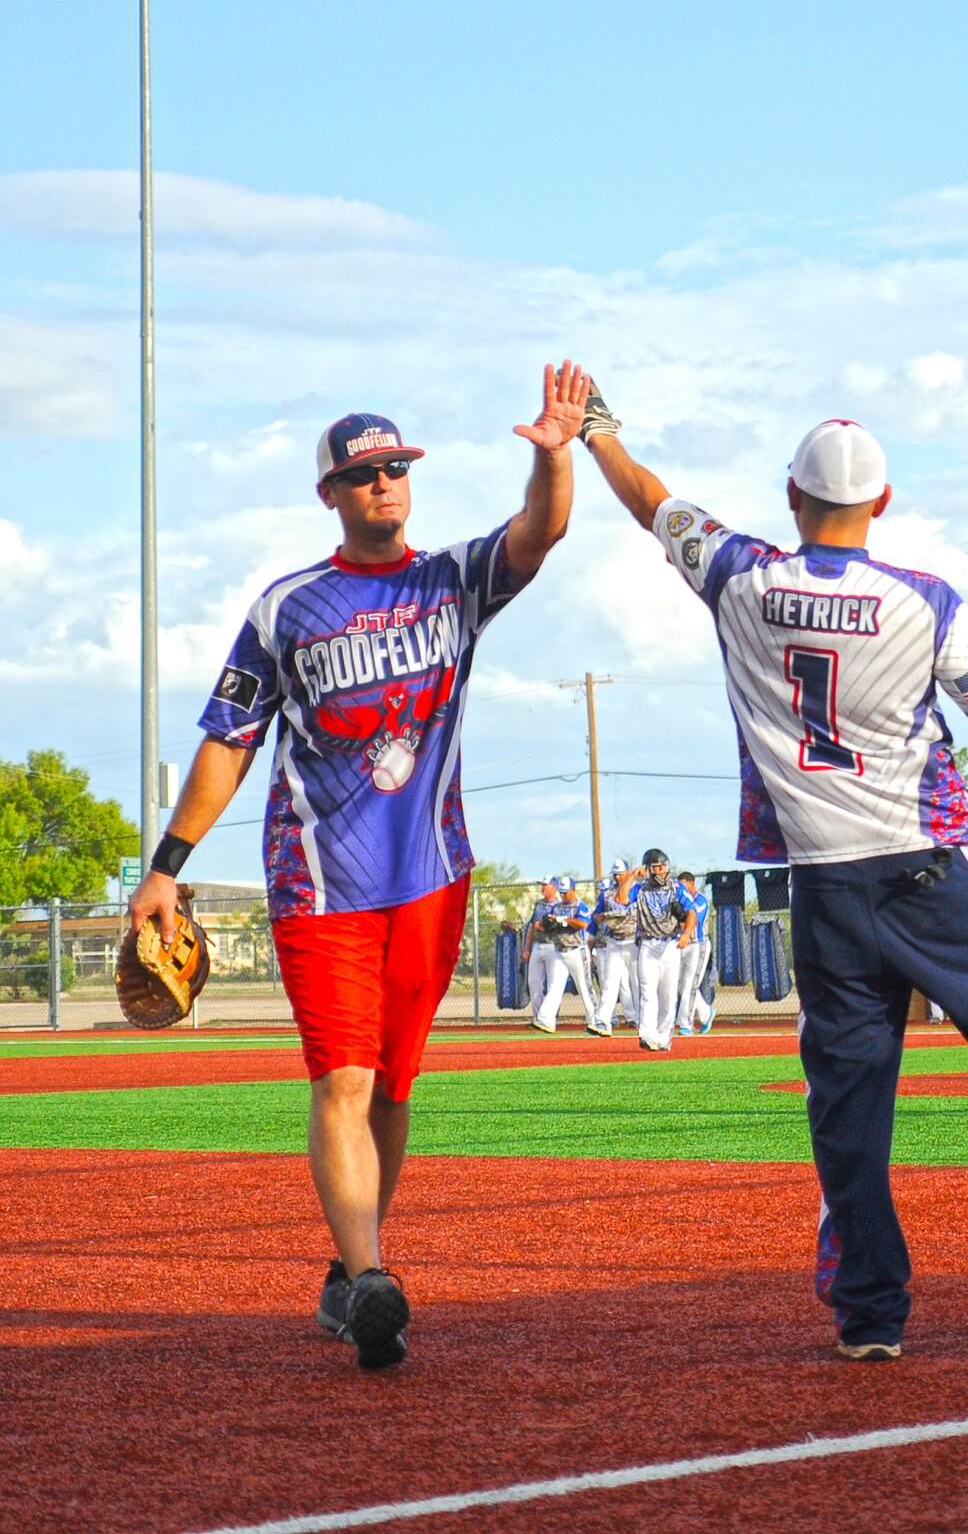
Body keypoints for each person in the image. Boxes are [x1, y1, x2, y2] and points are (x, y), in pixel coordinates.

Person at [581, 393, 968, 1360]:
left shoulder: (738, 577)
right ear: (880, 500)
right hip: (933, 867)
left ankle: (869, 1314)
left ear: (790, 495)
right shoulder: (923, 598)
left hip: (824, 882)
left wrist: (599, 431)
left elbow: (653, 503)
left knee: (849, 1106)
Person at [128, 364, 590, 1370]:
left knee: (391, 1087)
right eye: (365, 473)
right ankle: (372, 1273)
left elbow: (539, 533)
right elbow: (227, 737)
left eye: (396, 469)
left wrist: (552, 455)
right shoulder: (287, 606)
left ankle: (349, 1277)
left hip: (431, 872)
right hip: (318, 881)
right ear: (330, 493)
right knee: (342, 1075)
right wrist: (167, 864)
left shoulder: (451, 580)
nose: (385, 484)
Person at [634, 847, 696, 1052]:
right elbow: (622, 899)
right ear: (648, 869)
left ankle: (663, 1036)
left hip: (670, 943)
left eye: (663, 866)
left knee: (668, 993)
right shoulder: (640, 889)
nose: (661, 871)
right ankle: (647, 1034)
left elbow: (691, 912)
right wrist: (632, 876)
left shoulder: (676, 888)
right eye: (656, 867)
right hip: (648, 943)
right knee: (647, 990)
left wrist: (687, 933)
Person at [532, 875, 597, 1032]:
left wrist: (562, 919)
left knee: (584, 987)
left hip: (576, 950)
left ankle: (596, 1021)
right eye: (561, 892)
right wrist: (546, 924)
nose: (563, 895)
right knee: (554, 986)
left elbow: (582, 924)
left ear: (573, 890)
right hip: (559, 950)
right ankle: (546, 1020)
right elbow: (542, 925)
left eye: (566, 892)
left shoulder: (580, 906)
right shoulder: (557, 907)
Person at [590, 859, 640, 1035]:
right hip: (613, 941)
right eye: (615, 874)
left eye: (620, 873)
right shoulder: (607, 893)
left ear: (628, 872)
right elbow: (596, 913)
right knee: (609, 984)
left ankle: (642, 1020)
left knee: (637, 983)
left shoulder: (638, 890)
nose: (618, 877)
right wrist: (600, 917)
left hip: (634, 941)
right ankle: (603, 1022)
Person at [674, 870, 713, 1035]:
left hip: (699, 944)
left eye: (684, 885)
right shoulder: (680, 901)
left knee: (690, 983)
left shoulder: (700, 899)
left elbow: (693, 921)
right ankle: (706, 1013)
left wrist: (673, 921)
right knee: (680, 985)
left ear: (692, 884)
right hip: (681, 944)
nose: (682, 889)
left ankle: (686, 1023)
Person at [522, 877, 560, 1028]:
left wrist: (542, 927)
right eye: (542, 885)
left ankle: (550, 1017)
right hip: (538, 945)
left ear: (554, 887)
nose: (543, 888)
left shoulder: (559, 905)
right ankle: (538, 1018)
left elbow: (559, 929)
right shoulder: (539, 904)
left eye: (546, 885)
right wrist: (526, 947)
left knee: (552, 984)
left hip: (553, 946)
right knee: (534, 982)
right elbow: (532, 926)